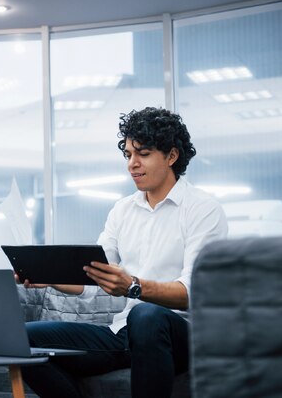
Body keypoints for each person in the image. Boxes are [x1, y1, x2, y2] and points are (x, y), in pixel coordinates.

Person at [20, 107, 227, 398]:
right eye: (128, 154)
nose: (132, 163)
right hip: (127, 333)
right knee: (21, 338)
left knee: (146, 316)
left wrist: (132, 287)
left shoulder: (203, 209)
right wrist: (49, 278)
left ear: (171, 156)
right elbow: (95, 278)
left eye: (142, 153)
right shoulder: (123, 210)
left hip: (185, 334)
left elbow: (195, 292)